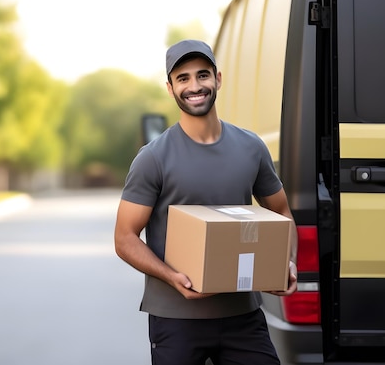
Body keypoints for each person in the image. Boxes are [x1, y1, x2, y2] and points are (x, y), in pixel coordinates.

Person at [114, 39, 298, 365]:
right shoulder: (153, 158)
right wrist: (172, 277)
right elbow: (125, 238)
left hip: (242, 315)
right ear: (170, 89)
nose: (194, 86)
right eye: (183, 78)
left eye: (202, 75)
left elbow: (281, 211)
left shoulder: (251, 148)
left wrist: (287, 262)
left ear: (218, 79)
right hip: (176, 319)